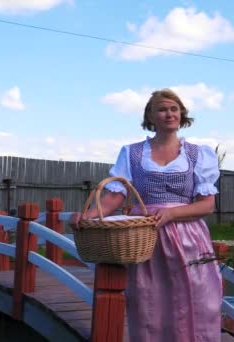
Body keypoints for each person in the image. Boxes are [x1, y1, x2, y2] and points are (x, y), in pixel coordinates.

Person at [72, 88, 222, 341]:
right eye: (162, 109)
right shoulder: (132, 152)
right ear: (150, 116)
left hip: (187, 235)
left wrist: (172, 214)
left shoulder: (199, 153)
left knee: (195, 296)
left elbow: (206, 205)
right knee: (148, 299)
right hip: (144, 236)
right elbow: (115, 195)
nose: (169, 114)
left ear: (181, 115)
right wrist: (87, 215)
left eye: (174, 109)